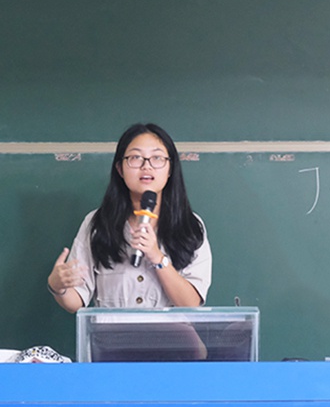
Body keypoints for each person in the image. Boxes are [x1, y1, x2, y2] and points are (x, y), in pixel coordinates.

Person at [47, 123, 212, 313]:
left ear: (170, 169)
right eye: (135, 158)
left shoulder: (190, 226)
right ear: (120, 169)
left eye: (157, 158)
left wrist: (157, 256)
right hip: (111, 333)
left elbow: (191, 304)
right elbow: (76, 302)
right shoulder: (98, 223)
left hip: (172, 333)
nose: (146, 166)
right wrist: (57, 287)